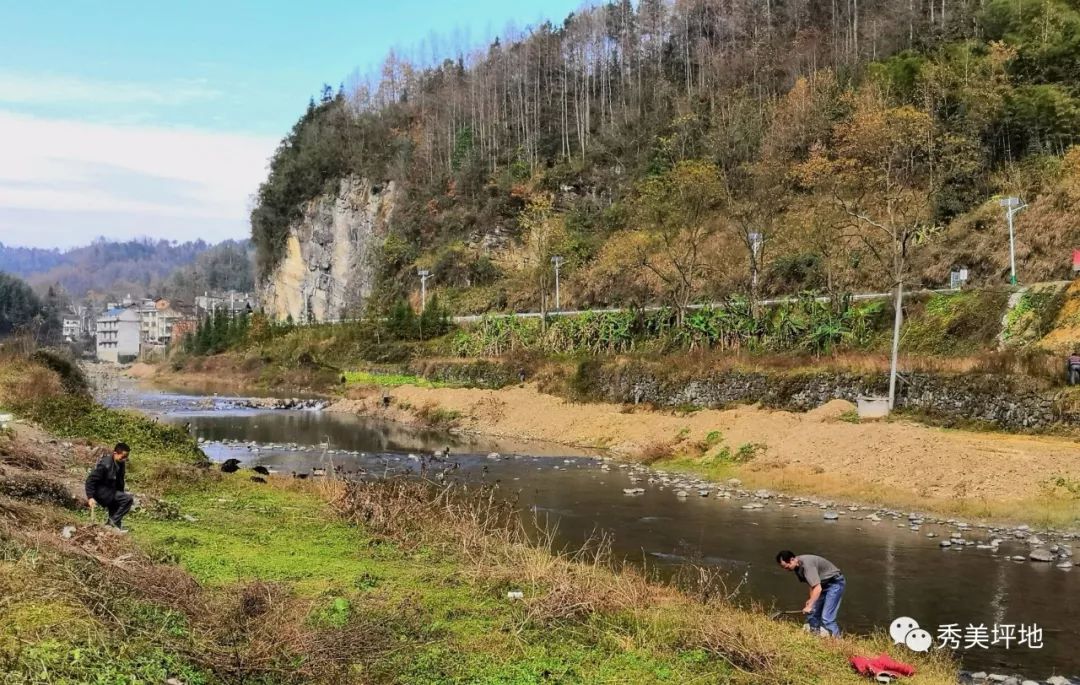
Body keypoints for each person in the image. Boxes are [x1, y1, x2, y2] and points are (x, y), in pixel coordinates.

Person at [776, 550, 845, 637]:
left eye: (787, 567)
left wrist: (809, 605)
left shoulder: (807, 565)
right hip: (822, 584)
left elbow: (817, 588)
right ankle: (814, 637)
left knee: (827, 618)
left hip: (834, 583)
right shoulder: (797, 568)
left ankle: (837, 642)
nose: (786, 570)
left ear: (792, 559)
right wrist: (811, 600)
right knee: (812, 614)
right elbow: (812, 584)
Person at [85, 442, 132, 532]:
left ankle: (113, 529)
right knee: (128, 499)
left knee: (117, 504)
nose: (125, 459)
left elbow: (120, 481)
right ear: (115, 453)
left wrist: (120, 493)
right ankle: (111, 523)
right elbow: (90, 480)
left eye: (126, 457)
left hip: (111, 491)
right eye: (123, 456)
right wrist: (90, 497)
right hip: (101, 492)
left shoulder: (121, 463)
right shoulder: (105, 464)